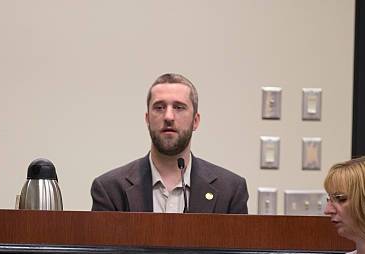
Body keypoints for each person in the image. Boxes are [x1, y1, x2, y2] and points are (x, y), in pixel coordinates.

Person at [91, 73, 248, 214]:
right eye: (159, 107)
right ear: (147, 119)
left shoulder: (230, 191)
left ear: (195, 121)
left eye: (179, 107)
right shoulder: (110, 189)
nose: (168, 116)